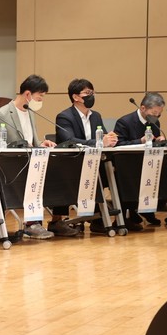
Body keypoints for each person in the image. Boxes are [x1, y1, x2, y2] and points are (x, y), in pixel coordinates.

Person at [0, 74, 57, 239]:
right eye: (40, 97)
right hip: (10, 165)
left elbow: (31, 140)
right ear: (28, 94)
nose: (41, 101)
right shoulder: (1, 114)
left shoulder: (30, 112)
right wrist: (14, 147)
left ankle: (36, 223)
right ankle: (30, 224)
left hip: (31, 163)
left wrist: (41, 144)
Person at [48, 78, 120, 236]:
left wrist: (110, 139)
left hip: (93, 162)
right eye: (87, 93)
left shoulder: (96, 116)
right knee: (65, 176)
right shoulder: (64, 116)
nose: (91, 96)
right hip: (71, 163)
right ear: (76, 97)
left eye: (92, 92)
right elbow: (69, 140)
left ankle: (99, 219)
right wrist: (99, 142)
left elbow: (102, 137)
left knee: (114, 171)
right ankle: (56, 222)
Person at [113, 91, 167, 228]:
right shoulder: (124, 122)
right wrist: (140, 141)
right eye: (154, 113)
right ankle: (132, 211)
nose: (156, 117)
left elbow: (152, 143)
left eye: (159, 114)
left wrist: (159, 141)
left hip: (148, 163)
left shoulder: (155, 122)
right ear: (143, 108)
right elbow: (118, 145)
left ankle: (147, 209)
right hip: (128, 164)